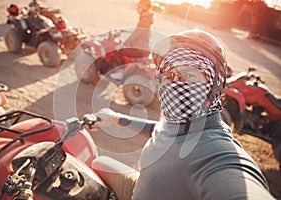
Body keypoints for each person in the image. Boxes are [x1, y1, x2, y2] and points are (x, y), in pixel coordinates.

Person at [91, 29, 276, 200]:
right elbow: (161, 132)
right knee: (97, 164)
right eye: (168, 75)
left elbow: (236, 181)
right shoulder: (178, 122)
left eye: (189, 76)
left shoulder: (215, 152)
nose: (174, 85)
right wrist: (117, 118)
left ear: (214, 88)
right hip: (139, 186)